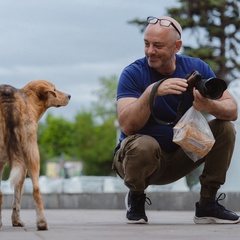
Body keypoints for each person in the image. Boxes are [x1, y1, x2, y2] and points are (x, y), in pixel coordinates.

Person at [112, 16, 239, 224]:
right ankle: (136, 198)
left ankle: (207, 204)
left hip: (181, 153)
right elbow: (127, 125)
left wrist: (209, 106)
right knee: (145, 144)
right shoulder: (133, 73)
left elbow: (233, 110)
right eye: (147, 44)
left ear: (176, 46)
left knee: (224, 127)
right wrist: (152, 92)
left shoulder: (195, 67)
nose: (150, 51)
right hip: (138, 161)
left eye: (158, 45)